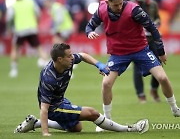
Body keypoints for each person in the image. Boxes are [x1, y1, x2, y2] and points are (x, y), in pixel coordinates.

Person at [85, 0, 180, 132]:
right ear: (108, 2)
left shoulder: (134, 10)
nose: (119, 6)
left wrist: (161, 52)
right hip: (118, 54)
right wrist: (89, 32)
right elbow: (89, 26)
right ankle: (107, 120)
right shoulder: (101, 10)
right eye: (115, 4)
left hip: (140, 50)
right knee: (106, 84)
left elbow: (153, 29)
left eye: (121, 3)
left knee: (162, 78)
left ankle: (174, 108)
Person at [14, 43, 149, 136]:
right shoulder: (49, 77)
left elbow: (83, 55)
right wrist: (45, 133)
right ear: (60, 59)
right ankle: (129, 129)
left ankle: (34, 123)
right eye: (69, 56)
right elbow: (44, 108)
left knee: (76, 128)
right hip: (53, 108)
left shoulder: (66, 62)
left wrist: (99, 64)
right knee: (92, 113)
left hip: (60, 101)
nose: (72, 58)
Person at [6, 0, 48, 78]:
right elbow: (38, 13)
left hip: (20, 30)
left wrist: (10, 28)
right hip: (32, 29)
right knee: (39, 49)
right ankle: (49, 68)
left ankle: (14, 70)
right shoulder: (30, 2)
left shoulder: (14, 5)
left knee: (15, 49)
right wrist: (37, 22)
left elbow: (9, 18)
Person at [131, 0, 161, 103]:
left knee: (157, 65)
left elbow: (158, 19)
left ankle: (154, 88)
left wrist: (155, 24)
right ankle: (141, 95)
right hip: (137, 41)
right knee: (137, 69)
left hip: (151, 39)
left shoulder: (153, 4)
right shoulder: (130, 5)